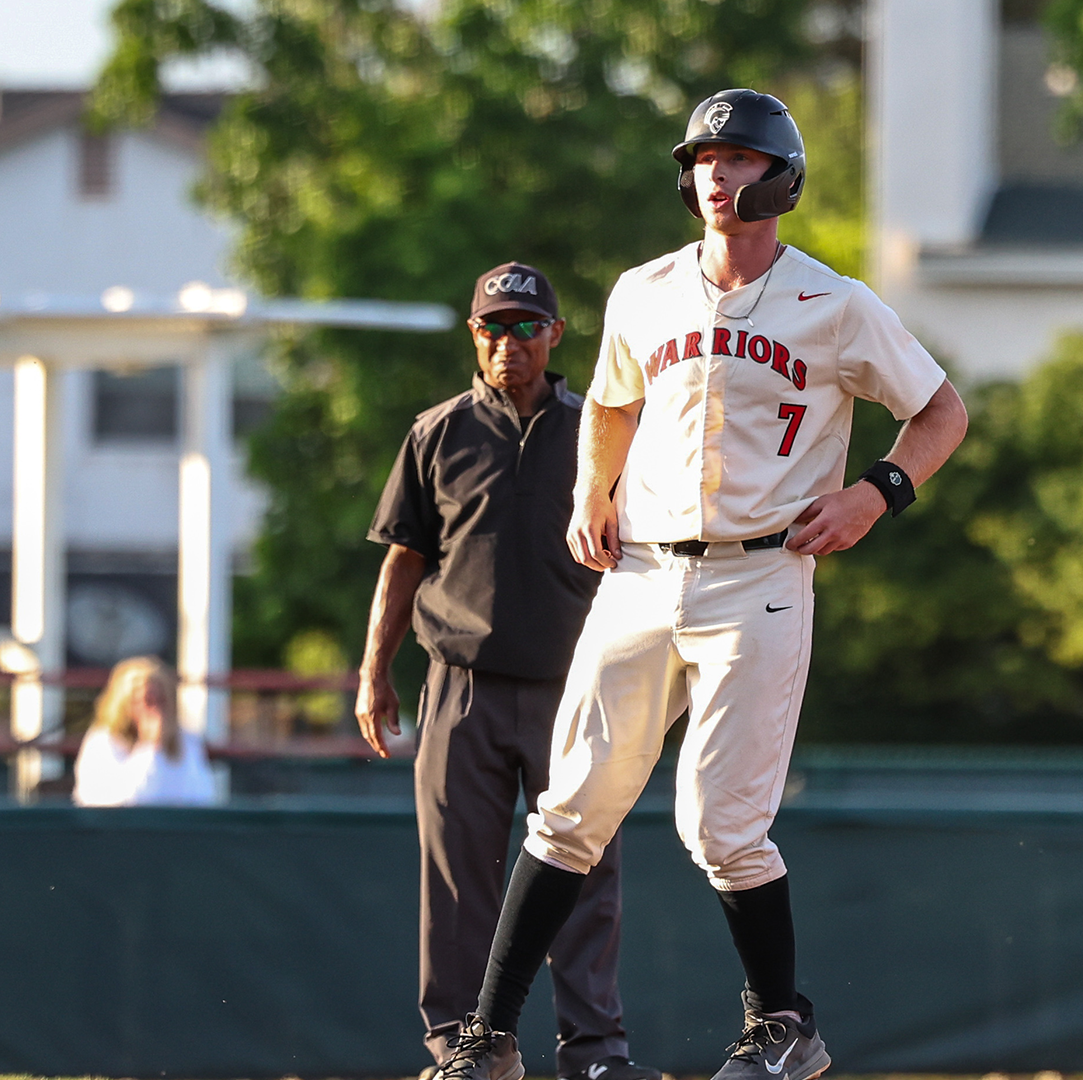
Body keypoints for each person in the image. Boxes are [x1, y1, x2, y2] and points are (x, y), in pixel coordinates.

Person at [436, 90, 971, 1080]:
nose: (716, 173)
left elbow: (941, 411)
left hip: (760, 575)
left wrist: (877, 493)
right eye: (703, 158)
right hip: (639, 571)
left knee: (718, 824)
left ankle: (782, 1025)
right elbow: (608, 404)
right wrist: (591, 489)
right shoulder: (644, 290)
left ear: (781, 175)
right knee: (570, 807)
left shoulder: (837, 304)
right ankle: (490, 1039)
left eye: (738, 157)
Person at [360, 262, 661, 1080]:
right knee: (458, 879)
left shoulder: (597, 429)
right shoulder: (439, 432)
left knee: (585, 868)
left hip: (580, 682)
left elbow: (648, 557)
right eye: (494, 326)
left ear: (556, 336)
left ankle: (596, 1055)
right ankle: (464, 1048)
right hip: (463, 685)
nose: (510, 342)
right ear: (473, 335)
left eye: (528, 326)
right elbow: (404, 559)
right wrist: (373, 671)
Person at [73, 655, 218, 807]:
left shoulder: (187, 740)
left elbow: (203, 796)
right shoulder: (102, 742)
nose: (153, 712)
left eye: (159, 702)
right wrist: (150, 747)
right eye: (145, 702)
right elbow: (127, 801)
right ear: (123, 704)